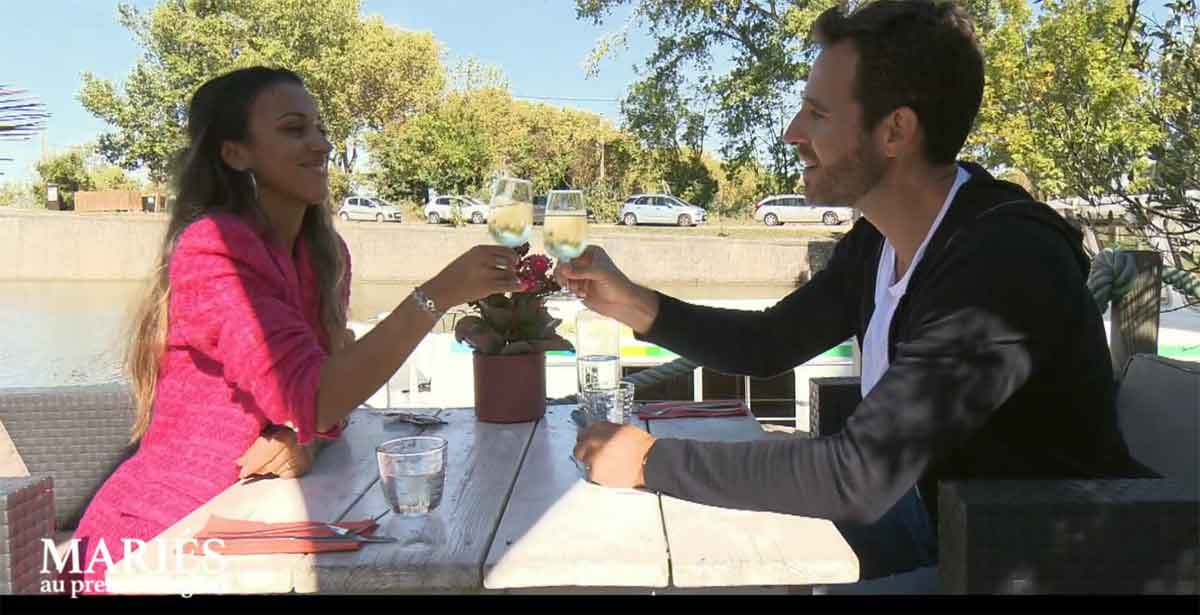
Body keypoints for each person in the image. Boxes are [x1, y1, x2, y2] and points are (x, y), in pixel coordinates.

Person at [560, 0, 1151, 591]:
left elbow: (861, 475)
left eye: (817, 114)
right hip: (933, 518)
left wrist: (648, 460)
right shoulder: (881, 238)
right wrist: (632, 302)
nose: (793, 134)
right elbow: (768, 344)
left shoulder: (1005, 263)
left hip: (1034, 564)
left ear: (895, 130)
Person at [70, 67, 523, 593]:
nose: (320, 145)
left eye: (319, 129)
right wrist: (437, 294)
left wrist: (300, 437)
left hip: (260, 531)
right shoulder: (213, 247)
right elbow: (314, 396)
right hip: (159, 543)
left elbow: (327, 394)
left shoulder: (324, 258)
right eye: (293, 130)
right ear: (235, 153)